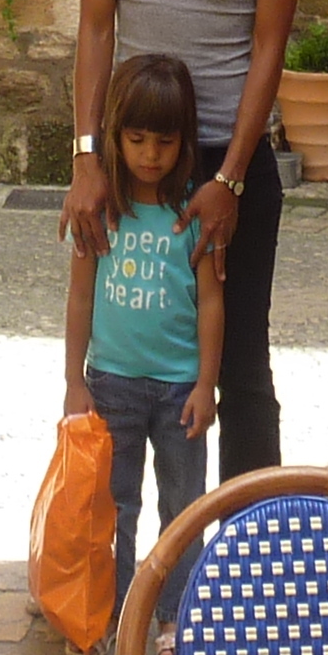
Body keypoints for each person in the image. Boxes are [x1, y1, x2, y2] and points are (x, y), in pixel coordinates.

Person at [65, 0, 309, 476]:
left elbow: (270, 46)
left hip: (224, 162)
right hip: (134, 159)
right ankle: (135, 558)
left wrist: (231, 178)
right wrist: (87, 157)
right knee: (130, 360)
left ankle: (250, 557)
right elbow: (97, 27)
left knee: (237, 363)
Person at [62, 53, 223, 612]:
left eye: (165, 141)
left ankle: (175, 615)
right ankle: (111, 609)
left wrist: (207, 384)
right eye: (136, 140)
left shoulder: (193, 215)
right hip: (112, 386)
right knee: (113, 504)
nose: (150, 155)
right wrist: (73, 381)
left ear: (185, 141)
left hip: (180, 391)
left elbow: (210, 300)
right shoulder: (101, 213)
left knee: (183, 509)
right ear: (115, 137)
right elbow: (80, 297)